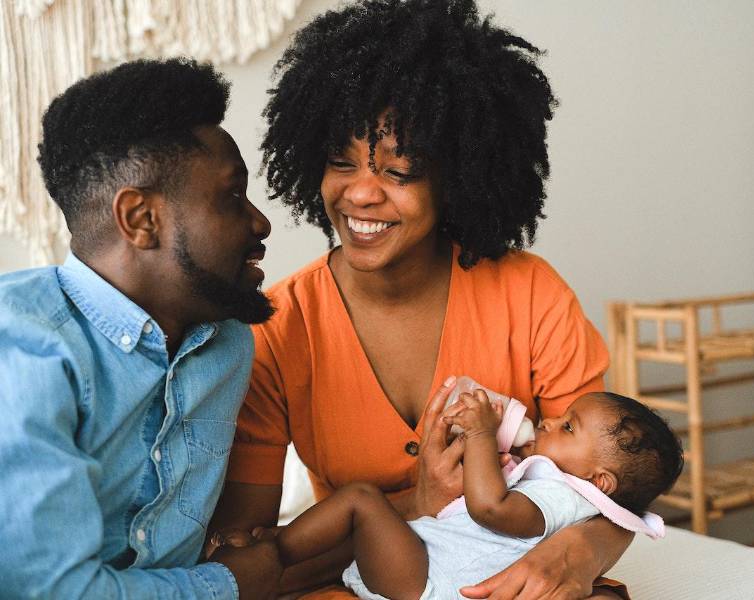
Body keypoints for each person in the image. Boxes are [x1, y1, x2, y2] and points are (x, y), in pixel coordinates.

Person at [213, 0, 633, 597]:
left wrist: (575, 554)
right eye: (340, 163)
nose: (360, 194)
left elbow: (611, 483)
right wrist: (419, 504)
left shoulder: (531, 293)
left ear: (458, 176)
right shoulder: (278, 329)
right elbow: (247, 558)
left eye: (399, 172)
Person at [0, 58, 281, 599]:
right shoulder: (25, 350)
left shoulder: (226, 345)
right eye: (231, 195)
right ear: (140, 219)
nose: (260, 222)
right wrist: (225, 586)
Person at [210, 390, 683, 600]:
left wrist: (480, 434)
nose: (549, 421)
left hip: (428, 580)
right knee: (363, 516)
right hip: (428, 569)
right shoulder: (560, 486)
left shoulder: (565, 496)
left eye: (568, 427)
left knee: (360, 500)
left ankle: (274, 548)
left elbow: (490, 507)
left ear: (600, 481)